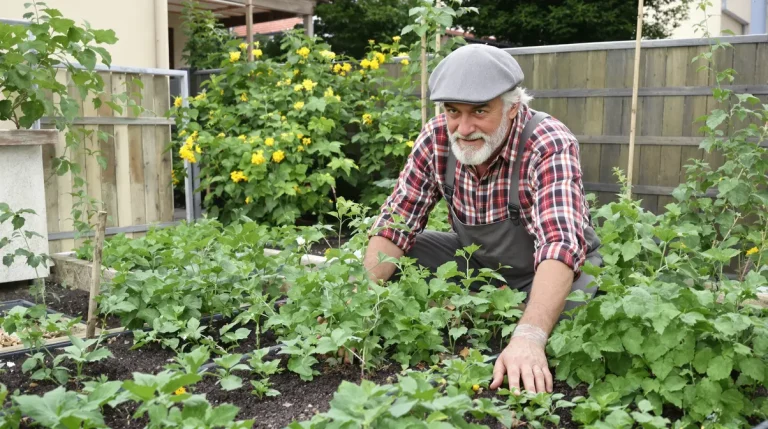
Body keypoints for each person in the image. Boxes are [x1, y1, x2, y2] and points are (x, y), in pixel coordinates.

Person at [362, 43, 602, 395]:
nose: (464, 127)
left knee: (574, 321)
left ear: (512, 106)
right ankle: (485, 313)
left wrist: (530, 337)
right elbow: (397, 222)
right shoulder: (438, 137)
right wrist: (361, 306)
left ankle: (506, 320)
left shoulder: (547, 140)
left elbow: (561, 243)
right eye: (453, 111)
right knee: (396, 259)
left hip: (548, 269)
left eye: (479, 111)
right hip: (478, 265)